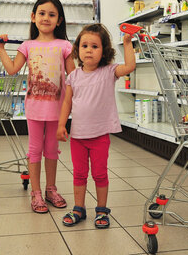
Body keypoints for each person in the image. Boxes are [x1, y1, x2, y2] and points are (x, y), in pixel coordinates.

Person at [0, 0, 76, 213]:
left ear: (59, 20)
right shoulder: (27, 46)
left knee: (52, 149)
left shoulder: (65, 45)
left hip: (58, 110)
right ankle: (36, 192)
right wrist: (1, 49)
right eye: (41, 13)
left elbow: (74, 76)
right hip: (34, 107)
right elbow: (12, 70)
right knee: (35, 149)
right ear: (33, 17)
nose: (46, 18)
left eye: (52, 15)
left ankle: (51, 189)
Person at [57, 23, 135, 228]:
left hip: (100, 136)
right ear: (78, 50)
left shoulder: (109, 72)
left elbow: (129, 67)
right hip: (78, 137)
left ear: (104, 51)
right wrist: (61, 125)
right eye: (84, 46)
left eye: (94, 46)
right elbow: (67, 102)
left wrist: (127, 43)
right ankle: (79, 208)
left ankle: (102, 210)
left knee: (100, 174)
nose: (89, 50)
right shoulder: (73, 76)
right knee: (79, 174)